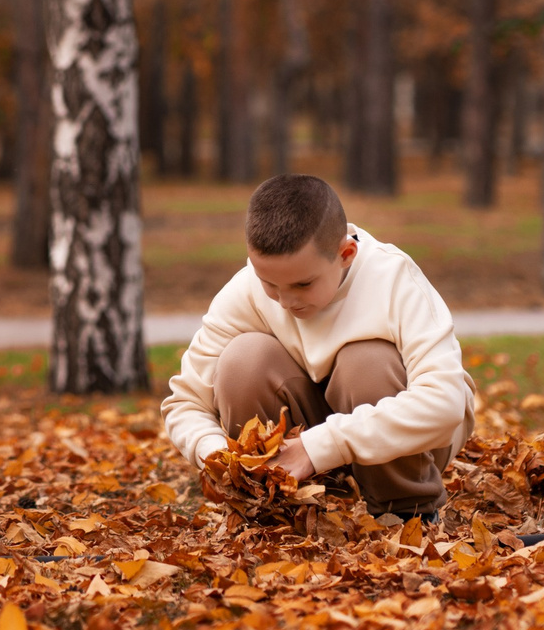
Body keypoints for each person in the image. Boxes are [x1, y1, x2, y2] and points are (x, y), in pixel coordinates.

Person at [161, 175, 472, 520]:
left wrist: (320, 446)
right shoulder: (245, 290)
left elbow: (445, 404)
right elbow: (186, 403)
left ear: (346, 254)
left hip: (405, 444)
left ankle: (406, 512)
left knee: (365, 361)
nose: (284, 301)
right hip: (302, 447)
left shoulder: (393, 278)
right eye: (270, 283)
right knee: (242, 360)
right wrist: (222, 456)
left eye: (303, 284)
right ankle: (275, 511)